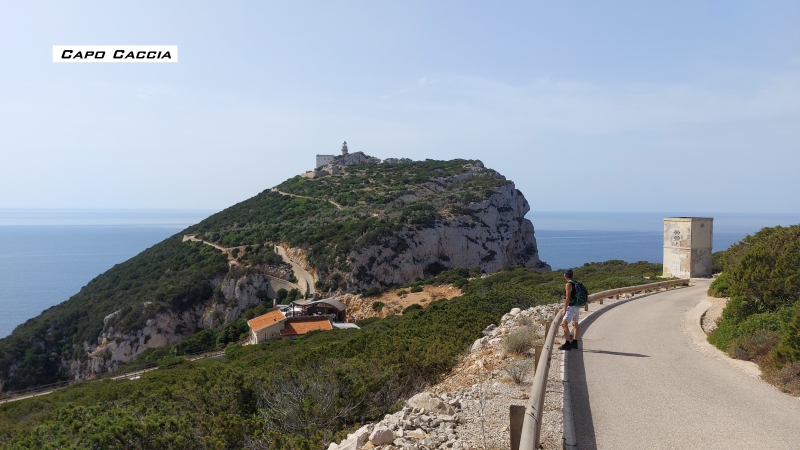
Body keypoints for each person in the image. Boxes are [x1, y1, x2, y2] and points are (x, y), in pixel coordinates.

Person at [559, 269, 580, 350]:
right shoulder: (575, 282)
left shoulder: (568, 284)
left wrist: (564, 309)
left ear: (565, 276)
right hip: (577, 306)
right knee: (575, 324)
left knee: (564, 324)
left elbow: (567, 297)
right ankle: (575, 343)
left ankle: (567, 343)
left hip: (572, 307)